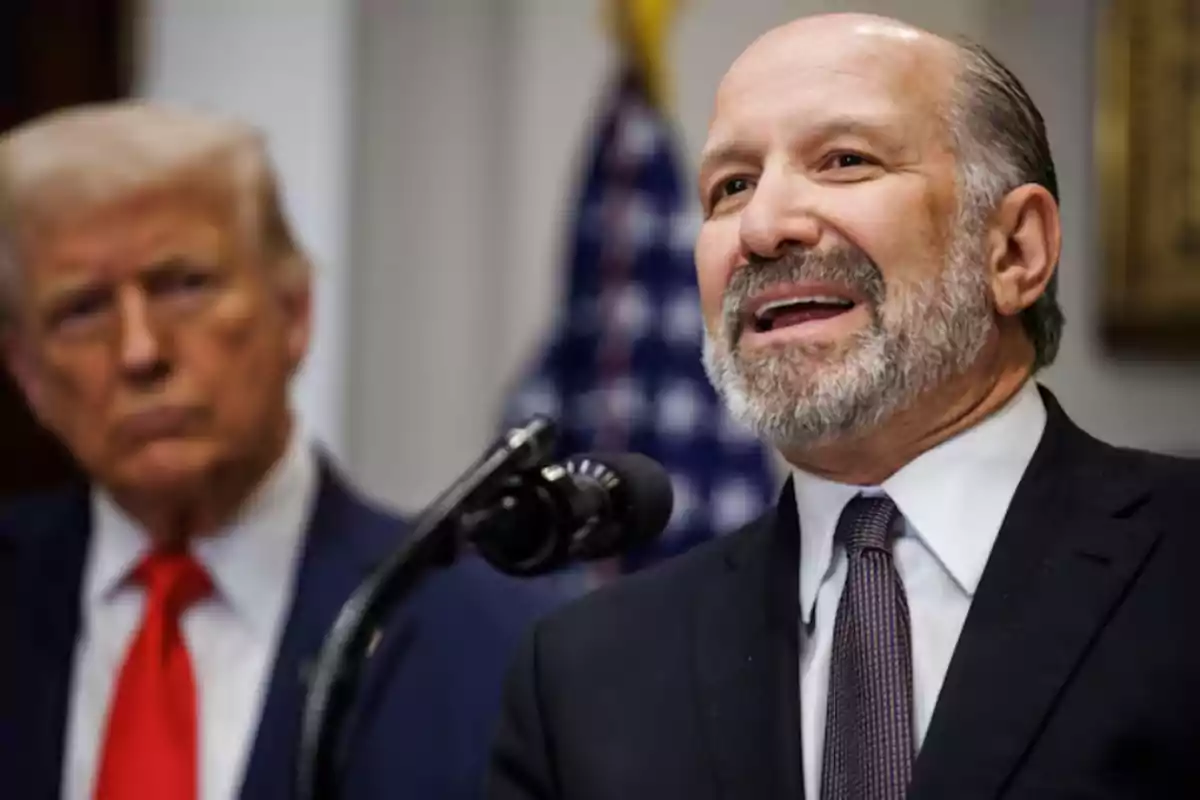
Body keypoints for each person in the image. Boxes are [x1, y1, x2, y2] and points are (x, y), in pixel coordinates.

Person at [486, 12, 1200, 800]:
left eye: (846, 160)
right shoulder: (586, 675)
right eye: (731, 187)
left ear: (1015, 251)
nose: (762, 227)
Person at [0, 101, 554, 800]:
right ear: (26, 371)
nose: (139, 352)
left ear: (293, 312)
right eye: (82, 308)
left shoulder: (491, 637)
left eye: (182, 284)